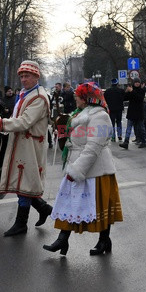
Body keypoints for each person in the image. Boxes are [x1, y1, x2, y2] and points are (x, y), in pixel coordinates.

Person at [43, 82, 123, 256]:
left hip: (94, 169)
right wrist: (63, 131)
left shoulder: (100, 116)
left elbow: (94, 147)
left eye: (78, 95)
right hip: (77, 165)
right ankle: (62, 240)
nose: (75, 98)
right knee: (69, 204)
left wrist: (77, 170)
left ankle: (104, 240)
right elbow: (76, 137)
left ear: (86, 98)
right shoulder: (79, 114)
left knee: (100, 208)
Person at [0, 60, 53, 236]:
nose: (23, 79)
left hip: (30, 145)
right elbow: (18, 117)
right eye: (21, 76)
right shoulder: (24, 93)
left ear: (36, 76)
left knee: (24, 181)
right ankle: (43, 208)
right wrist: (3, 116)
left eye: (27, 75)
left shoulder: (39, 97)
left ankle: (21, 223)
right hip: (20, 143)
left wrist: (0, 123)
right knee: (24, 181)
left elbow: (25, 121)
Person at [120, 77, 146, 149]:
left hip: (139, 112)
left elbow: (139, 98)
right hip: (131, 112)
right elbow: (124, 98)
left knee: (141, 128)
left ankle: (143, 141)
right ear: (133, 83)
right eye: (135, 82)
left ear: (140, 83)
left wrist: (131, 91)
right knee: (128, 128)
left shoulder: (142, 90)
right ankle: (126, 142)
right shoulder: (131, 90)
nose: (137, 83)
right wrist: (126, 91)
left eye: (138, 82)